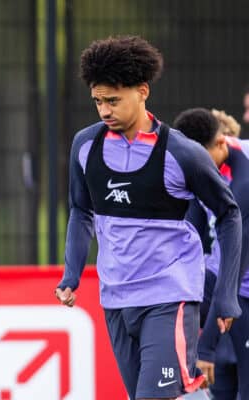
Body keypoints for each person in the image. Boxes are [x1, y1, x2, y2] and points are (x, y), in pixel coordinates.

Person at [54, 36, 242, 400]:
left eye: (113, 100)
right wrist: (72, 273)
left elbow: (229, 214)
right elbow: (81, 210)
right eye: (98, 101)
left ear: (142, 92)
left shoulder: (181, 152)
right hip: (116, 299)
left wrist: (225, 294)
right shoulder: (85, 145)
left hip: (170, 297)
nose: (104, 111)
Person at [174, 107, 249, 399]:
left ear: (220, 144)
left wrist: (206, 348)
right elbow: (189, 232)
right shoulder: (198, 164)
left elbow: (232, 262)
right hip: (228, 280)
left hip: (238, 278)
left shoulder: (243, 181)